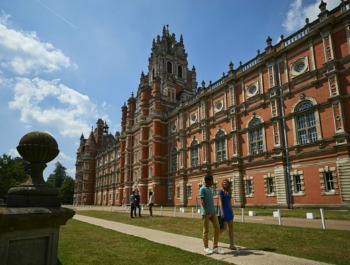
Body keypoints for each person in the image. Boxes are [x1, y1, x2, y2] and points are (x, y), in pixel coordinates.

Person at [200, 174, 224, 255]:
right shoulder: (202, 189)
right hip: (205, 213)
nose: (213, 182)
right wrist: (207, 211)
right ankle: (206, 247)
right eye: (211, 180)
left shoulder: (210, 189)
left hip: (213, 212)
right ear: (207, 181)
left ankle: (215, 247)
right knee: (206, 230)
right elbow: (202, 201)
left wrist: (213, 211)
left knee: (217, 227)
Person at [218, 178, 237, 250]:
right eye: (224, 182)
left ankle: (232, 244)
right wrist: (222, 211)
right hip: (223, 211)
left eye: (226, 182)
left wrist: (232, 211)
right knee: (223, 228)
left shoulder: (229, 192)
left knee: (231, 228)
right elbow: (220, 202)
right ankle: (215, 238)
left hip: (229, 211)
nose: (225, 183)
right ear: (222, 184)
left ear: (228, 183)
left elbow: (229, 203)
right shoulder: (220, 192)